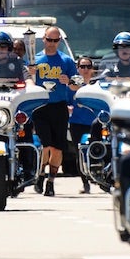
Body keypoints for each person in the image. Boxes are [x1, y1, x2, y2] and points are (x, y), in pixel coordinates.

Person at [32, 26, 78, 197]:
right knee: (45, 144)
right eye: (49, 40)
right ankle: (40, 174)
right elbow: (26, 82)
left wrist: (68, 81)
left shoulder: (66, 61)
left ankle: (50, 181)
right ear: (43, 39)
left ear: (59, 41)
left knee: (57, 148)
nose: (52, 44)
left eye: (55, 40)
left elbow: (76, 84)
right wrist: (31, 75)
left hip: (59, 106)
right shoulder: (35, 60)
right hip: (41, 106)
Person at [67, 56, 98, 193]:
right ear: (77, 68)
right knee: (79, 152)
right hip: (77, 122)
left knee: (96, 150)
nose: (85, 70)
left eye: (88, 67)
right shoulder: (72, 84)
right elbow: (66, 100)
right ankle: (85, 183)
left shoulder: (97, 85)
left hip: (94, 122)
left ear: (92, 69)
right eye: (82, 67)